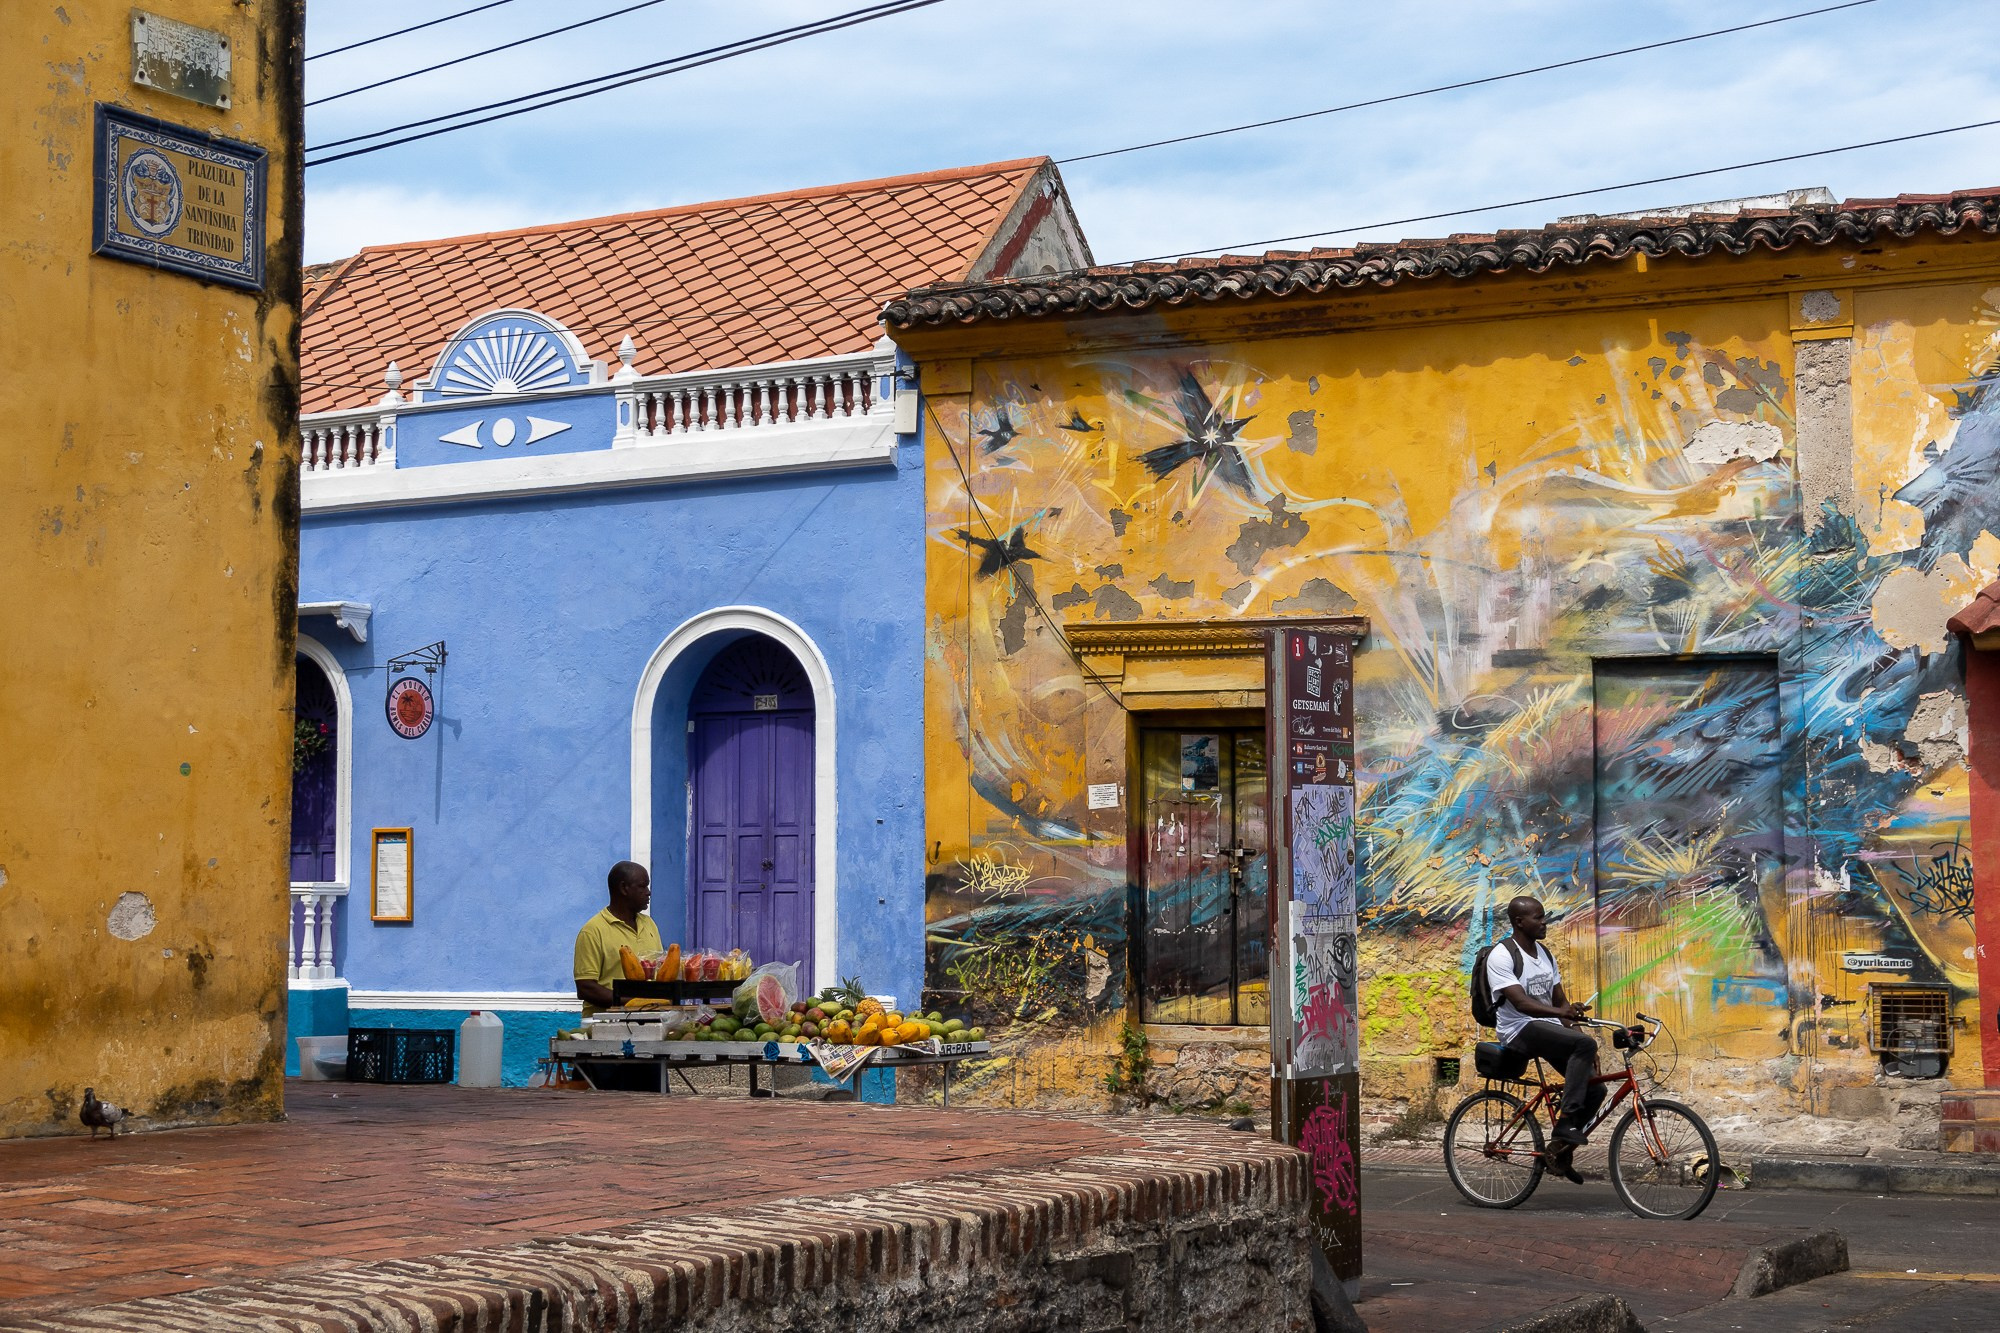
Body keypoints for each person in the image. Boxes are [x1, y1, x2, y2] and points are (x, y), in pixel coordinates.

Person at [1486, 895, 1603, 1184]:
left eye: (1543, 916)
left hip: (1546, 1028)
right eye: (1538, 917)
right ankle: (1565, 1123)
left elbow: (1559, 1001)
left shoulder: (1545, 955)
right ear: (1519, 922)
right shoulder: (1501, 956)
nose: (1544, 922)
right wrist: (1567, 1020)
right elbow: (1522, 1004)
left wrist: (1578, 1031)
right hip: (1518, 1029)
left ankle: (1559, 1152)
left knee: (1596, 1089)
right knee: (1584, 1046)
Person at [573, 861, 662, 1018]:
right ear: (623, 888)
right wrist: (634, 1002)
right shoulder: (593, 931)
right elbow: (586, 987)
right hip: (606, 1025)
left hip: (649, 1020)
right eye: (642, 886)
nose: (648, 892)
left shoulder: (649, 924)